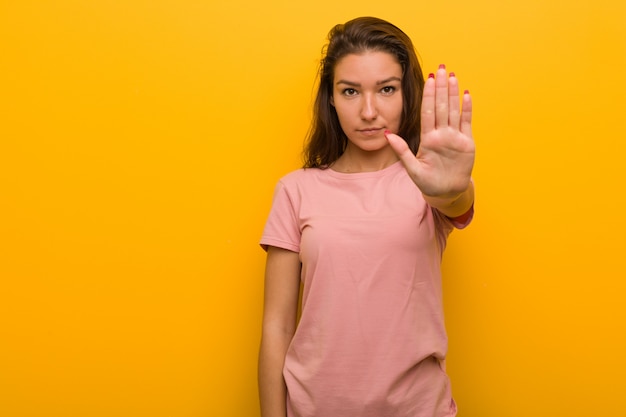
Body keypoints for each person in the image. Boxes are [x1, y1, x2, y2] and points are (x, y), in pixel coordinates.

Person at [258, 16, 475, 417]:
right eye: (351, 91)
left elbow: (457, 201)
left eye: (387, 89)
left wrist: (452, 186)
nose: (369, 110)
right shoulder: (295, 190)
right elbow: (277, 327)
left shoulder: (428, 184)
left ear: (406, 95)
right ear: (332, 99)